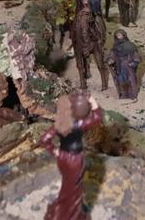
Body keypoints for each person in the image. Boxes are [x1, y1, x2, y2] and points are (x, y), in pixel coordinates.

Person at [38, 92, 103, 220]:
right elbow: (97, 117)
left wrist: (55, 151)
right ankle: (69, 215)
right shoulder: (80, 124)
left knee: (68, 186)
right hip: (75, 160)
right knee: (74, 189)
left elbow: (44, 139)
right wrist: (92, 101)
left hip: (62, 158)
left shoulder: (60, 124)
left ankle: (62, 209)